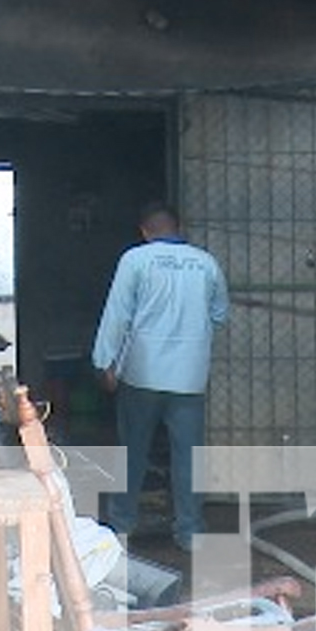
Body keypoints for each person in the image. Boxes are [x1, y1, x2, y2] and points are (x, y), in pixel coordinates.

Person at [92, 201, 228, 551]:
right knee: (187, 456)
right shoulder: (206, 263)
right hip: (189, 376)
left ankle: (121, 526)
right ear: (179, 229)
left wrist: (104, 361)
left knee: (133, 451)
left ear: (144, 231)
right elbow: (219, 314)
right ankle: (190, 531)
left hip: (142, 372)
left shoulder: (135, 260)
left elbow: (118, 313)